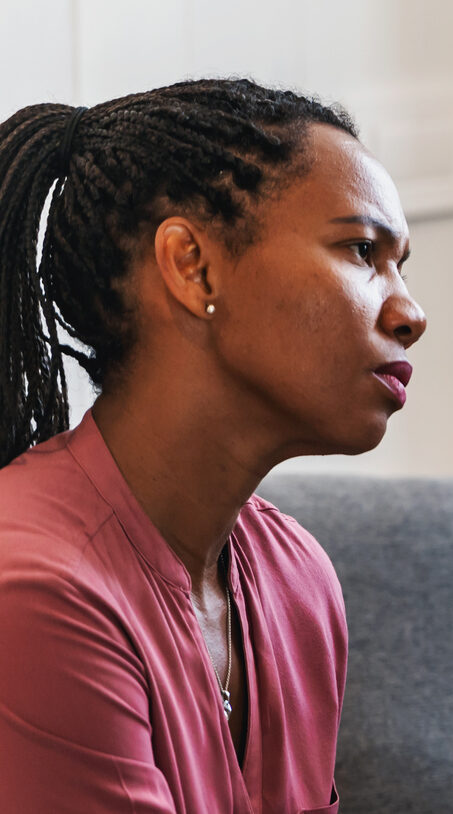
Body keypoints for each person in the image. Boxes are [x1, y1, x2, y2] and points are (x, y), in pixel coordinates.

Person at [0, 79, 425, 813]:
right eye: (362, 250)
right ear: (193, 266)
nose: (411, 313)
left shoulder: (299, 579)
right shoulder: (36, 591)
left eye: (401, 263)